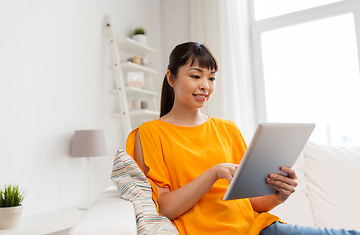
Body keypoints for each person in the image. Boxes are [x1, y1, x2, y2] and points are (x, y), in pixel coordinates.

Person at [126, 42, 360, 235]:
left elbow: (252, 202)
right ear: (171, 78)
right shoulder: (149, 133)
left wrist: (279, 195)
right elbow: (164, 208)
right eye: (196, 76)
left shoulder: (228, 129)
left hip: (258, 229)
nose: (205, 86)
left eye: (212, 78)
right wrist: (213, 172)